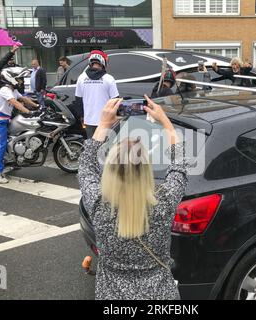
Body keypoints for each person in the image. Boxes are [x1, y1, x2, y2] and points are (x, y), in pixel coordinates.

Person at [78, 96, 190, 300]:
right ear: (146, 170)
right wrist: (167, 124)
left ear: (110, 171)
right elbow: (179, 168)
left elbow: (86, 167)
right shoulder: (163, 204)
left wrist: (103, 124)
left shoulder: (98, 205)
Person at [0, 67, 39, 184]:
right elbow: (15, 103)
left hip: (6, 120)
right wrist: (29, 112)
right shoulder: (4, 90)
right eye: (19, 79)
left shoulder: (13, 90)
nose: (21, 81)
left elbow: (24, 99)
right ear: (11, 79)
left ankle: (10, 161)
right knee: (1, 144)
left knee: (15, 139)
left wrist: (37, 106)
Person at [75, 50, 119, 139]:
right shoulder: (109, 79)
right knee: (106, 147)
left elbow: (78, 100)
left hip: (89, 120)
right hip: (106, 120)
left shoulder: (81, 78)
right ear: (103, 62)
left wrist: (82, 117)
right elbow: (116, 100)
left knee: (92, 148)